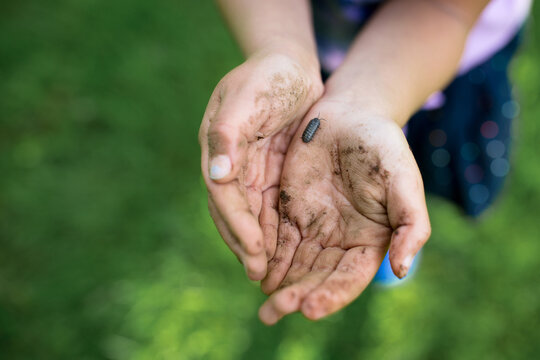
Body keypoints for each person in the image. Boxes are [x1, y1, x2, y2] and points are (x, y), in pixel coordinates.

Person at [199, 0, 531, 325]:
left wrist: (366, 103)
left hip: (443, 52)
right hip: (317, 39)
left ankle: (388, 223)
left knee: (403, 166)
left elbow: (448, 8)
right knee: (369, 159)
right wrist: (282, 48)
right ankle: (382, 225)